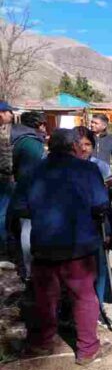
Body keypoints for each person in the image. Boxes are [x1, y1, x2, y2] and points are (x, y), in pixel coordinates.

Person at [19, 129, 112, 365]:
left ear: (50, 145)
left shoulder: (32, 171)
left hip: (43, 243)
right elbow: (101, 204)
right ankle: (88, 349)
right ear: (73, 147)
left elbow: (20, 207)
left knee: (45, 297)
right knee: (84, 297)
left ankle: (41, 343)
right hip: (78, 245)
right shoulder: (87, 170)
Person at [73, 126, 112, 328]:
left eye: (88, 144)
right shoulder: (65, 167)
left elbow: (106, 201)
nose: (83, 149)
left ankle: (98, 306)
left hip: (97, 224)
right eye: (79, 144)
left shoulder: (100, 167)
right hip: (72, 227)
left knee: (100, 269)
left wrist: (108, 229)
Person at [9, 111, 46, 282]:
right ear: (37, 125)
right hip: (30, 191)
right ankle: (30, 270)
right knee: (28, 229)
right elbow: (33, 171)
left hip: (20, 187)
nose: (45, 128)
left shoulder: (18, 138)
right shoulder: (32, 143)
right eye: (43, 125)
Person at [0, 101, 16, 263]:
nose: (11, 115)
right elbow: (5, 162)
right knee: (3, 214)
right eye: (9, 112)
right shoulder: (2, 134)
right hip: (3, 179)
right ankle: (3, 248)